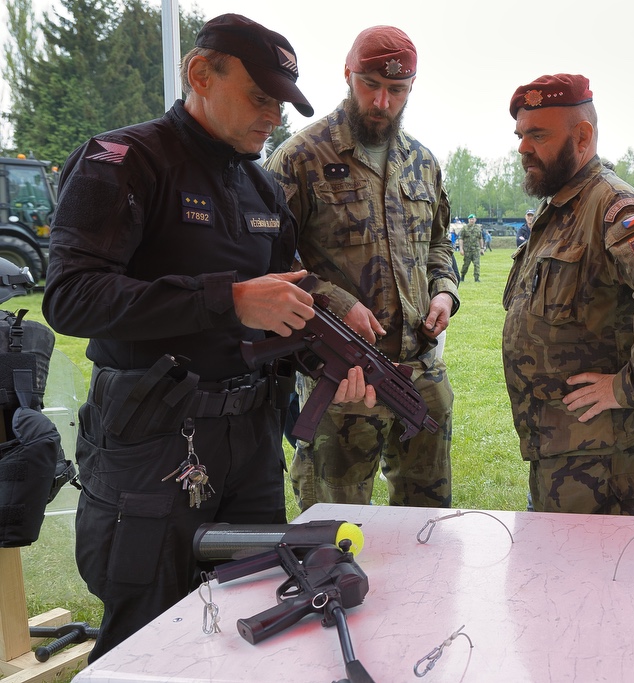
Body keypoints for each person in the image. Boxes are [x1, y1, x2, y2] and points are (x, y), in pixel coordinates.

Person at [39, 14, 373, 660]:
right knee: (147, 632)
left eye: (280, 103)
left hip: (249, 445)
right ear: (200, 74)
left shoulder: (264, 190)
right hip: (155, 439)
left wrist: (333, 368)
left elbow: (287, 314)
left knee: (256, 617)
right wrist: (227, 299)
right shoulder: (124, 163)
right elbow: (70, 296)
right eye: (258, 97)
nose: (272, 115)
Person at [265, 25, 458, 509]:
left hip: (422, 373)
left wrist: (444, 292)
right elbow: (267, 259)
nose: (381, 102)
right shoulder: (300, 159)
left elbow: (438, 245)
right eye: (370, 85)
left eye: (397, 91)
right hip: (344, 379)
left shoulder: (422, 164)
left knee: (428, 524)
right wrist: (335, 301)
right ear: (347, 74)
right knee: (335, 525)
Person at [502, 73, 634, 515]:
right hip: (558, 441)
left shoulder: (612, 207)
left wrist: (628, 386)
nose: (522, 148)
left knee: (602, 576)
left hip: (598, 453)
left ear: (582, 135)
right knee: (559, 571)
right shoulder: (560, 207)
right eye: (520, 135)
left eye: (538, 135)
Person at [459, 213, 484, 282]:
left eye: (473, 219)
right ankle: (462, 276)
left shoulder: (478, 228)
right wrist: (461, 248)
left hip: (476, 249)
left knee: (477, 264)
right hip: (467, 250)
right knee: (466, 264)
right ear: (468, 220)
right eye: (470, 219)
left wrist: (482, 248)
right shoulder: (464, 228)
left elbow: (480, 238)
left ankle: (476, 278)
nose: (471, 220)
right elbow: (461, 238)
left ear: (475, 220)